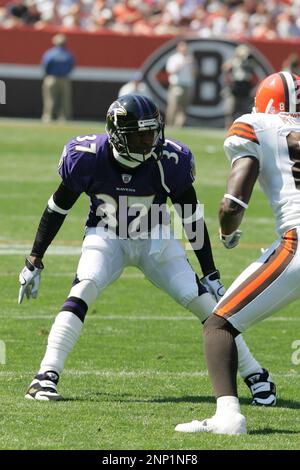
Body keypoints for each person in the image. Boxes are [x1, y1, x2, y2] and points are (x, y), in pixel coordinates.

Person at [19, 94, 274, 402]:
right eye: (141, 135)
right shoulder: (88, 156)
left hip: (156, 237)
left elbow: (190, 216)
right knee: (84, 287)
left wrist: (210, 272)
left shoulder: (169, 160)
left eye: (153, 132)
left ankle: (255, 373)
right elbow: (57, 208)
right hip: (106, 234)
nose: (150, 140)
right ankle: (45, 375)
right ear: (118, 135)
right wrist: (35, 259)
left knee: (203, 302)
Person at [175, 71, 300, 435]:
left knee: (219, 324)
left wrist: (228, 232)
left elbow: (232, 204)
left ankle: (228, 417)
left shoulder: (256, 124)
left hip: (297, 242)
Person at [41, 34, 75, 123]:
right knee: (65, 99)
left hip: (52, 78)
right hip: (64, 79)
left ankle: (48, 117)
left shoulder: (50, 53)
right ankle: (64, 118)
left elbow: (45, 65)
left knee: (50, 99)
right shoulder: (68, 54)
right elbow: (71, 66)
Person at [222, 44, 256, 129]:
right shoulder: (234, 61)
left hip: (245, 87)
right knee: (231, 110)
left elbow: (251, 72)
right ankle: (228, 128)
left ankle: (242, 128)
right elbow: (225, 68)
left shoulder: (250, 61)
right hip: (235, 86)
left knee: (245, 110)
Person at [165, 41, 195, 128]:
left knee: (184, 106)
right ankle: (170, 124)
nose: (184, 49)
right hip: (177, 84)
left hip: (187, 84)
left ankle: (180, 125)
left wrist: (193, 65)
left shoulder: (190, 58)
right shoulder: (174, 58)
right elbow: (170, 71)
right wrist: (182, 63)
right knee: (173, 105)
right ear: (178, 48)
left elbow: (194, 73)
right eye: (183, 47)